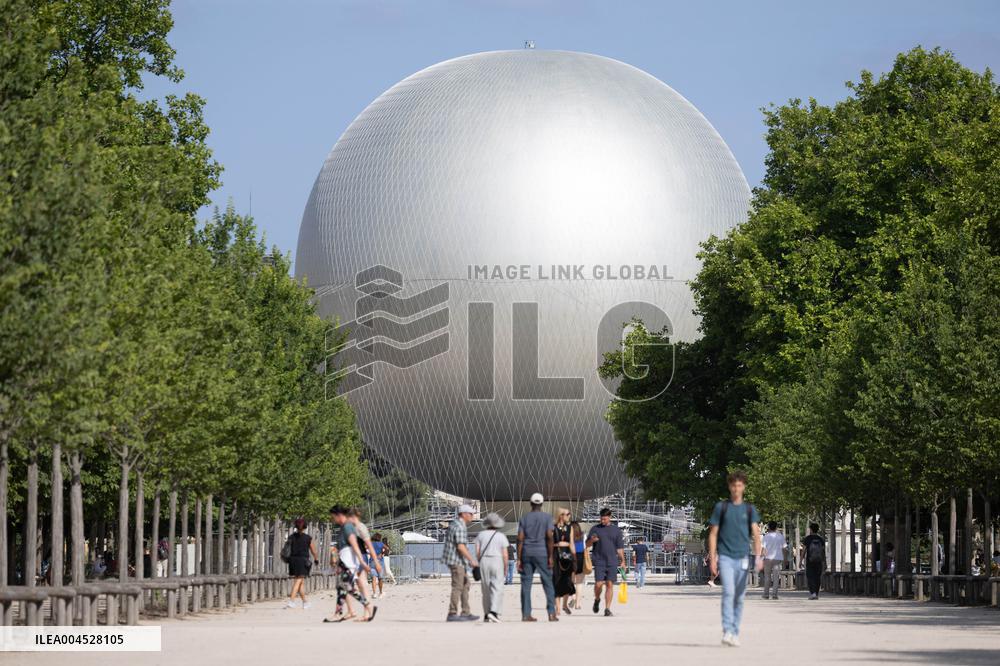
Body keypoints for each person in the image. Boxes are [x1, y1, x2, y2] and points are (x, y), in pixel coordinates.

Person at [707, 470, 763, 647]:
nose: (736, 489)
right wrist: (713, 558)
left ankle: (735, 632)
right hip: (725, 557)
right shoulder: (721, 508)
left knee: (739, 597)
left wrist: (758, 556)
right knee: (728, 592)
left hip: (743, 557)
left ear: (744, 487)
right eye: (733, 485)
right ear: (729, 487)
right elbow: (713, 534)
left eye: (739, 485)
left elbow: (756, 534)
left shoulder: (749, 509)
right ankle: (727, 630)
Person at [326, 506, 376, 622]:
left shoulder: (348, 527)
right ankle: (366, 606)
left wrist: (362, 561)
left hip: (348, 562)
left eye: (333, 517)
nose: (333, 520)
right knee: (346, 587)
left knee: (344, 587)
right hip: (345, 561)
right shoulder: (344, 527)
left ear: (339, 515)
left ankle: (339, 613)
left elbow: (354, 545)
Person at [518, 492, 557, 622]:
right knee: (548, 583)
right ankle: (551, 613)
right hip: (542, 552)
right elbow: (549, 537)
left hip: (527, 552)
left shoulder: (524, 518)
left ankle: (526, 614)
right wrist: (550, 556)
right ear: (541, 504)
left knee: (526, 584)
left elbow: (520, 538)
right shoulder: (547, 518)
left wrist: (519, 558)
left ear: (530, 503)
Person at [586, 507, 625, 617]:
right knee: (598, 584)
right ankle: (597, 599)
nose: (602, 521)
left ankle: (607, 609)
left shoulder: (616, 530)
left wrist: (623, 561)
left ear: (610, 517)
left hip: (612, 561)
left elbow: (620, 548)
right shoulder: (595, 529)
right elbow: (587, 545)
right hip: (599, 560)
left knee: (609, 584)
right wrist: (591, 540)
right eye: (601, 519)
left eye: (605, 519)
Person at [443, 504, 479, 622]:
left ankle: (466, 612)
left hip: (457, 560)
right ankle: (452, 613)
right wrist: (471, 560)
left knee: (465, 584)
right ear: (463, 514)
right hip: (456, 560)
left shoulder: (456, 524)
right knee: (458, 586)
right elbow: (460, 546)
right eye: (471, 514)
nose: (472, 516)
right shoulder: (459, 526)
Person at [475, 512, 510, 623]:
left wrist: (479, 562)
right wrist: (505, 567)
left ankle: (486, 613)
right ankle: (493, 612)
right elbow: (505, 554)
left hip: (484, 560)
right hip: (497, 560)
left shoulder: (481, 535)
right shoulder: (501, 536)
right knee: (497, 587)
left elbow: (477, 552)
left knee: (485, 588)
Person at [285, 518, 320, 609]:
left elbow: (287, 549)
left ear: (296, 527)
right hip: (302, 561)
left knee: (300, 582)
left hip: (293, 561)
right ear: (305, 527)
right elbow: (313, 550)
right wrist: (316, 559)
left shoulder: (291, 537)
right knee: (298, 581)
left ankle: (305, 602)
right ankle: (291, 601)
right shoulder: (308, 538)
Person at [553, 508, 576, 615]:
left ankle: (565, 605)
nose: (569, 516)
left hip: (567, 555)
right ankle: (557, 607)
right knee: (556, 581)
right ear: (561, 515)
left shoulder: (570, 528)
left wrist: (575, 558)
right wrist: (557, 544)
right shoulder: (553, 527)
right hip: (556, 556)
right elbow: (548, 542)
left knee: (567, 581)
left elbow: (572, 543)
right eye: (568, 514)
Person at [761, 521, 786, 600]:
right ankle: (774, 594)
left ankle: (766, 594)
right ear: (776, 527)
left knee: (767, 577)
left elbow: (763, 549)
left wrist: (761, 558)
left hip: (767, 559)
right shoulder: (780, 536)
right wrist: (785, 558)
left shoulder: (766, 536)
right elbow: (784, 548)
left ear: (769, 527)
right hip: (777, 558)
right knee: (776, 577)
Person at [802, 523, 826, 601]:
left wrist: (800, 561)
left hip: (810, 560)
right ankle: (816, 593)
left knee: (810, 576)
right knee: (817, 577)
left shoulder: (807, 539)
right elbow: (823, 551)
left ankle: (813, 593)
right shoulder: (821, 539)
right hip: (819, 561)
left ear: (811, 530)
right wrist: (824, 561)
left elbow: (804, 551)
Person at [571, 520, 586, 609]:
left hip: (571, 557)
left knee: (571, 581)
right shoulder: (583, 535)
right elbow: (585, 547)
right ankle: (577, 604)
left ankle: (573, 597)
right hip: (580, 557)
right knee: (579, 583)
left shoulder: (568, 535)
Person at [370, 533, 387, 598]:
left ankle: (374, 593)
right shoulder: (381, 544)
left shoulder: (371, 543)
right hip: (380, 561)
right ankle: (380, 593)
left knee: (373, 578)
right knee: (380, 578)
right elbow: (387, 548)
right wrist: (382, 553)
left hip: (372, 561)